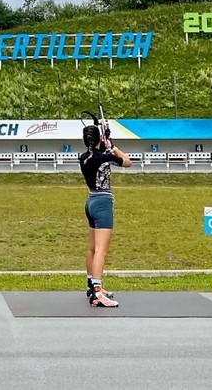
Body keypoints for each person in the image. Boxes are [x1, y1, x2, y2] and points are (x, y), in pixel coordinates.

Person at [79, 123, 132, 308]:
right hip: (102, 204)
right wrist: (113, 146)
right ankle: (98, 293)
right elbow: (127, 161)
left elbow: (98, 153)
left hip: (90, 201)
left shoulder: (83, 157)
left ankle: (91, 285)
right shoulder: (104, 157)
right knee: (102, 250)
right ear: (99, 139)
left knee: (92, 249)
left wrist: (104, 143)